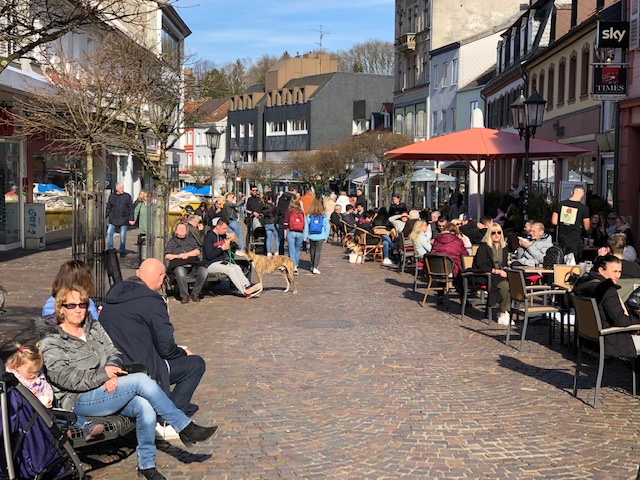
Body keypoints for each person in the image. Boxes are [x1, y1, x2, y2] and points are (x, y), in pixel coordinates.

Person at [40, 285, 218, 480]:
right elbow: (65, 377)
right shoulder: (53, 340)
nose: (78, 309)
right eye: (71, 305)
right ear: (61, 309)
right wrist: (102, 376)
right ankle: (183, 426)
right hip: (77, 401)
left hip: (107, 390)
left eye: (82, 304)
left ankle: (146, 466)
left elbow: (113, 353)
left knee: (144, 405)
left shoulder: (93, 327)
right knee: (141, 380)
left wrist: (112, 374)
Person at [573, 255, 640, 357]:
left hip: (588, 340)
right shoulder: (606, 290)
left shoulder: (584, 285)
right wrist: (637, 319)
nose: (618, 276)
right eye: (614, 271)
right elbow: (621, 320)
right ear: (601, 270)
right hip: (610, 342)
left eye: (619, 272)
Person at [203, 217, 262, 297]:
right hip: (210, 264)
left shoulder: (222, 236)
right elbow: (209, 255)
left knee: (236, 267)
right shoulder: (209, 237)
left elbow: (234, 247)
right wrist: (221, 248)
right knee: (230, 270)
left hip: (221, 261)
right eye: (224, 228)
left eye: (226, 229)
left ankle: (247, 285)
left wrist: (231, 241)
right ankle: (244, 291)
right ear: (217, 227)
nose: (225, 231)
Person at [472, 224, 511, 326]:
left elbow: (505, 264)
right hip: (487, 274)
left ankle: (509, 310)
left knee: (516, 282)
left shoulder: (504, 247)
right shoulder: (484, 246)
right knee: (505, 285)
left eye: (499, 232)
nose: (496, 235)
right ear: (489, 234)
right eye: (493, 233)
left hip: (501, 274)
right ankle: (503, 313)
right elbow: (480, 264)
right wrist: (496, 271)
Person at [164, 223, 208, 303]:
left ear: (186, 231)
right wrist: (178, 256)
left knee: (203, 271)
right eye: (179, 229)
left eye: (183, 229)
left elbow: (197, 251)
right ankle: (184, 295)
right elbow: (167, 255)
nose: (181, 231)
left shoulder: (191, 240)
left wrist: (187, 255)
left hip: (193, 263)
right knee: (180, 272)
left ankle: (195, 293)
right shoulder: (172, 241)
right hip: (179, 264)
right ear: (176, 231)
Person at [6, 343, 54, 409]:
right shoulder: (15, 381)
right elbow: (16, 401)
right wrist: (31, 397)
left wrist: (48, 399)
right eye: (30, 372)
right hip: (27, 412)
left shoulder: (38, 376)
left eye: (37, 371)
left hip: (42, 409)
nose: (34, 375)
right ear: (16, 367)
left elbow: (46, 388)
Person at [551, 184, 590, 260]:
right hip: (574, 240)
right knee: (571, 263)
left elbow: (554, 221)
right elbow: (587, 227)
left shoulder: (560, 204)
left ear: (571, 192)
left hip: (561, 239)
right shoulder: (584, 208)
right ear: (583, 194)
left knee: (560, 261)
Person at [106, 183, 135, 257]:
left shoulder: (127, 196)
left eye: (123, 188)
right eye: (121, 188)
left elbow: (131, 209)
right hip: (113, 218)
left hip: (123, 218)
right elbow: (109, 207)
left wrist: (131, 218)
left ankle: (122, 250)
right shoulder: (112, 196)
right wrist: (105, 216)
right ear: (117, 189)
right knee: (109, 233)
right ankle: (110, 249)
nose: (122, 189)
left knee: (123, 235)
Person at [305, 198, 330, 274]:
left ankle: (312, 265)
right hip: (320, 235)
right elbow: (327, 226)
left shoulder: (309, 214)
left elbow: (306, 226)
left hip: (311, 235)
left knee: (312, 250)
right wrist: (326, 236)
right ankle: (315, 267)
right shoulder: (324, 214)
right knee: (318, 251)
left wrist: (305, 235)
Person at [284, 198, 305, 275]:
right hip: (300, 232)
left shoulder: (289, 211)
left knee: (291, 250)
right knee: (297, 250)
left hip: (291, 232)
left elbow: (286, 223)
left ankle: (293, 267)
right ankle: (296, 265)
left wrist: (285, 234)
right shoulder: (301, 212)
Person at [275, 186, 296, 256]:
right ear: (293, 190)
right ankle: (291, 256)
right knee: (291, 240)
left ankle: (281, 255)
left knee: (281, 239)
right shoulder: (293, 198)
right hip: (291, 221)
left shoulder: (281, 198)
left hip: (281, 220)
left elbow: (277, 210)